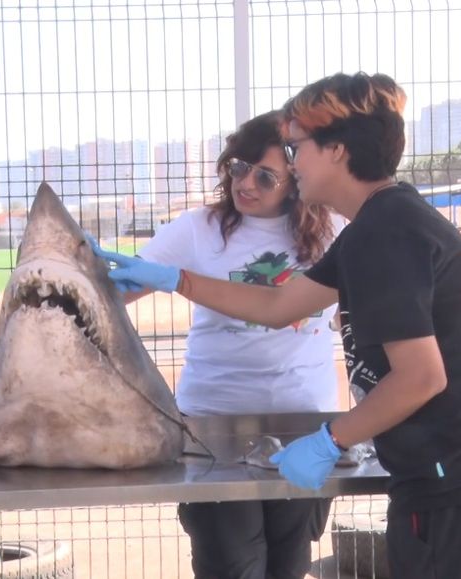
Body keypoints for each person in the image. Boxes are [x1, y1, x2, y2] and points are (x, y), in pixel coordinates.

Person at [93, 72, 461, 579]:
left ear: (336, 150)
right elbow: (281, 306)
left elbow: (421, 377)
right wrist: (175, 279)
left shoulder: (386, 232)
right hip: (458, 487)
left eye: (296, 149)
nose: (292, 164)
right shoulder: (376, 224)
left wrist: (330, 440)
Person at [119, 110, 339, 579]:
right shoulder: (198, 228)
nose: (246, 184)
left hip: (305, 425)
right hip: (215, 428)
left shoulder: (332, 230)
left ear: (296, 179)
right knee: (232, 565)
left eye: (265, 176)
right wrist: (82, 277)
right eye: (239, 167)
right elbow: (124, 288)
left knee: (290, 564)